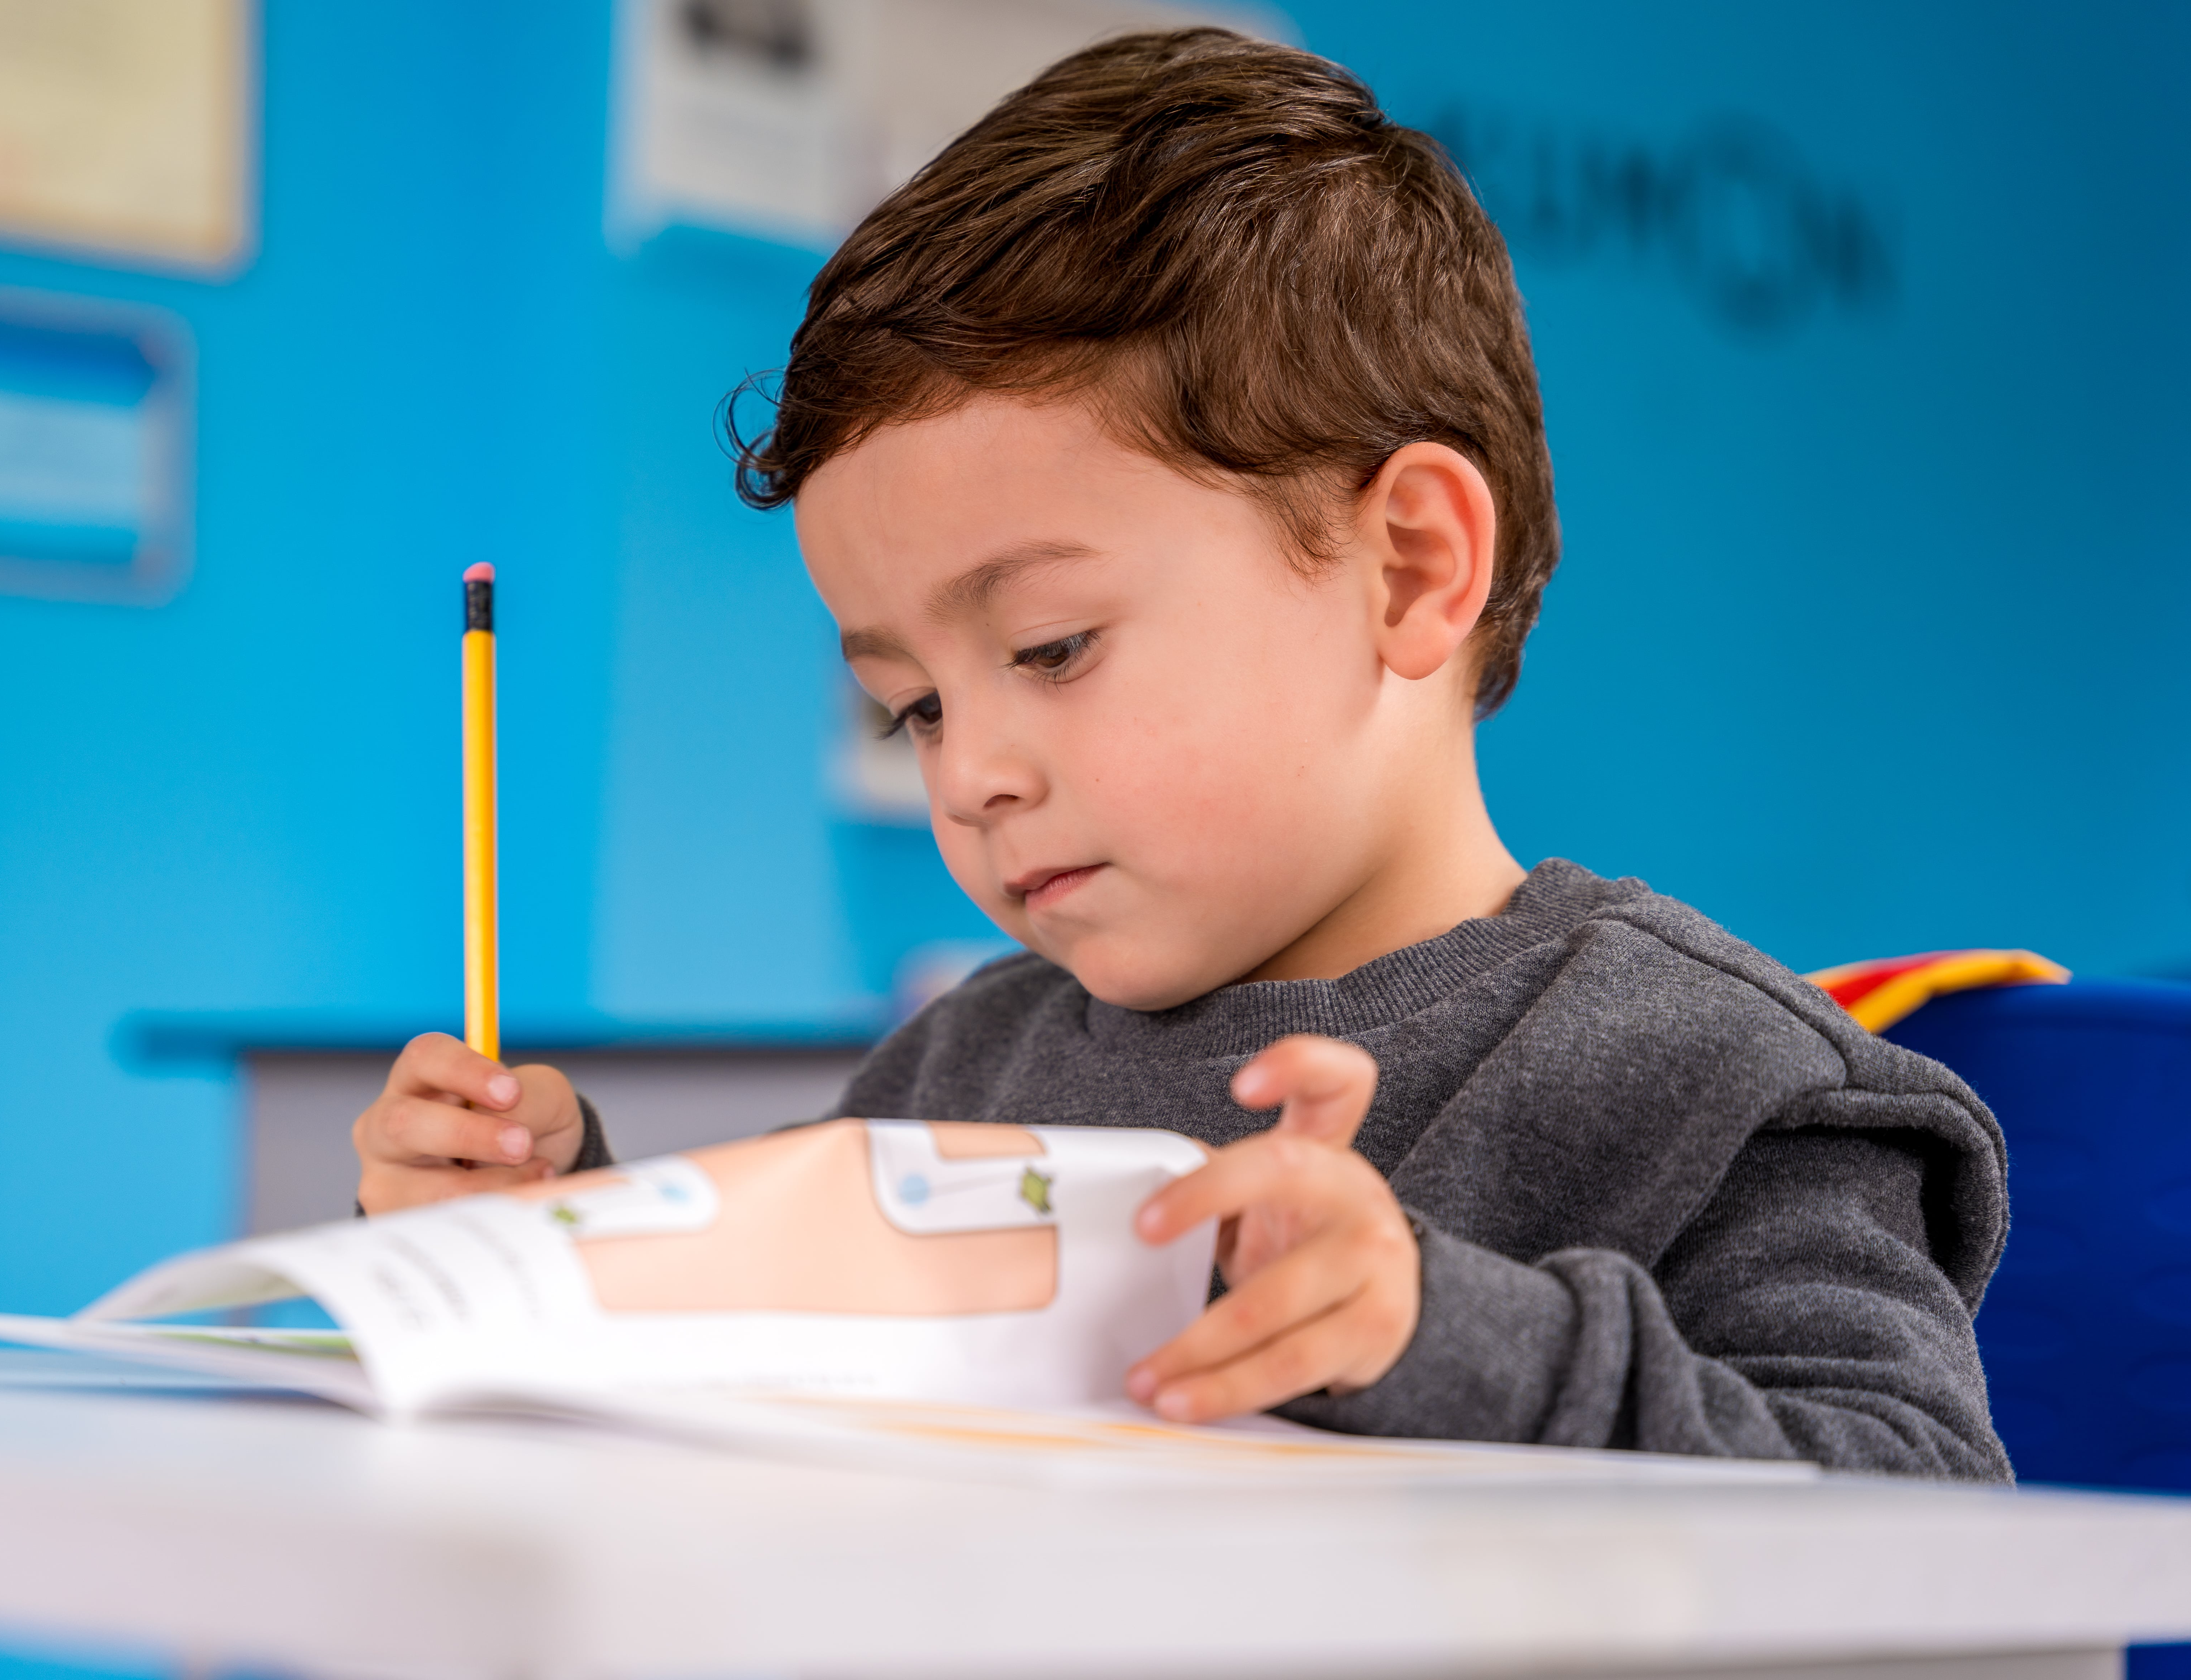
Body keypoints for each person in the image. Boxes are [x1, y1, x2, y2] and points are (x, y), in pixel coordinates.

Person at [354, 28, 2009, 1478]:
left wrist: (1449, 1338)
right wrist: (546, 1229)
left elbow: (1930, 1523)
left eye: (1051, 648)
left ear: (1410, 568)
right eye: (913, 706)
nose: (969, 775)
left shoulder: (1720, 1085)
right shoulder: (961, 1073)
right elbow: (770, 1377)